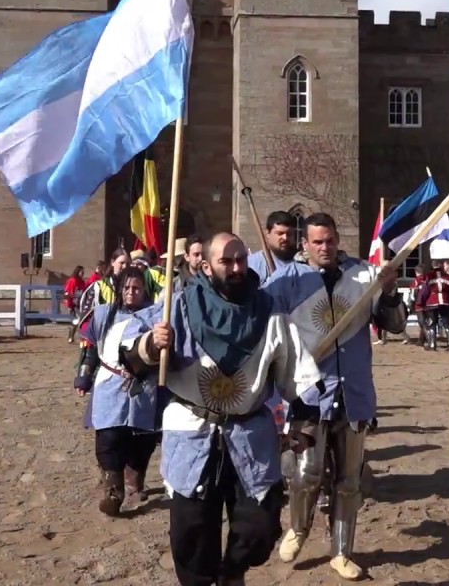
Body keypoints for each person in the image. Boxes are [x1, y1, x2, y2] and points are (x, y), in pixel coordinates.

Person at [120, 232, 322, 586]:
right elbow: (130, 356)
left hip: (250, 432)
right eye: (226, 261)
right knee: (192, 533)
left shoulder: (270, 311)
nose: (236, 268)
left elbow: (297, 369)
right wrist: (153, 344)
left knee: (261, 525)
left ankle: (232, 573)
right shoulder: (179, 306)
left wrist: (303, 420)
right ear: (206, 265)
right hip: (193, 430)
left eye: (241, 259)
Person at [277, 213, 405, 581]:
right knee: (307, 472)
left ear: (337, 239)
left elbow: (393, 324)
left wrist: (390, 291)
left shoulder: (364, 275)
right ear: (305, 243)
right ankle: (298, 529)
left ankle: (341, 551)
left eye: (329, 240)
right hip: (308, 391)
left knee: (349, 480)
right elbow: (262, 323)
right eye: (317, 242)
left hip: (354, 392)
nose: (324, 247)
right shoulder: (288, 280)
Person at [74, 267, 163, 516]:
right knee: (109, 437)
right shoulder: (105, 314)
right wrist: (83, 377)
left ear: (144, 289)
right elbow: (90, 349)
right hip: (110, 384)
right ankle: (114, 490)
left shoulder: (157, 315)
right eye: (126, 288)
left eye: (136, 288)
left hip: (144, 387)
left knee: (142, 440)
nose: (131, 292)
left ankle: (135, 481)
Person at [246, 211, 298, 284]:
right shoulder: (252, 264)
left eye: (289, 234)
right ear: (267, 233)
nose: (285, 238)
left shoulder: (301, 268)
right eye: (280, 233)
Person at [64, 265, 87, 344]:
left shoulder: (82, 282)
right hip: (73, 304)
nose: (83, 273)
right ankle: (71, 336)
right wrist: (69, 305)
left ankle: (80, 337)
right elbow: (68, 293)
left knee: (81, 320)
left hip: (80, 304)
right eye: (81, 272)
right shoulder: (72, 281)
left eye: (83, 272)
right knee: (75, 321)